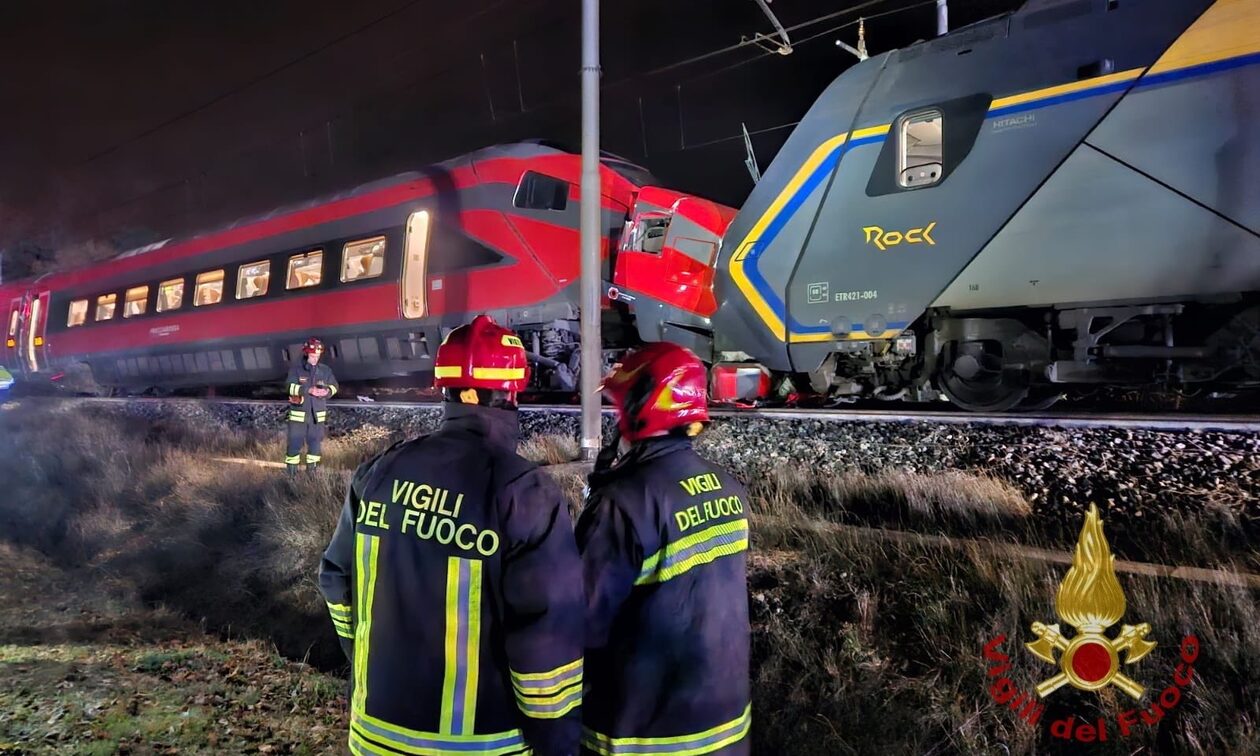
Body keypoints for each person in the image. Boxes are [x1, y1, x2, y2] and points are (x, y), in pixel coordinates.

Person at [317, 314, 584, 756]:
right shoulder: (524, 492)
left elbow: (335, 580)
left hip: (375, 734)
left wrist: (364, 661)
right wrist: (556, 739)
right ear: (511, 393)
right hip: (481, 743)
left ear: (444, 390)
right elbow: (546, 633)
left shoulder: (380, 472)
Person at [577, 342, 752, 756]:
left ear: (640, 408)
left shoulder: (624, 502)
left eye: (618, 406)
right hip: (726, 730)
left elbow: (579, 619)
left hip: (647, 736)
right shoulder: (729, 487)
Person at [285, 337, 338, 475]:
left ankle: (312, 475)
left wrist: (327, 391)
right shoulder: (296, 370)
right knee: (294, 446)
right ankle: (291, 476)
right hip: (299, 417)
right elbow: (289, 387)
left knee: (315, 447)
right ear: (307, 354)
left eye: (317, 356)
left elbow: (335, 386)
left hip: (317, 417)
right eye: (313, 356)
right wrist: (308, 390)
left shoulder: (325, 371)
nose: (315, 359)